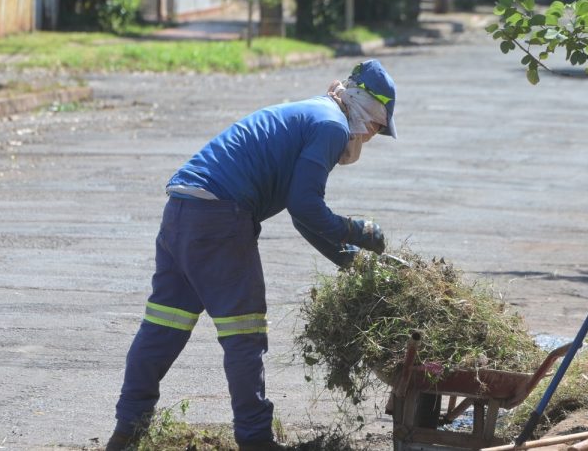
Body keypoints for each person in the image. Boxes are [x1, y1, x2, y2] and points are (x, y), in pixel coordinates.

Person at [106, 59, 398, 451]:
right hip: (220, 217)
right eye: (377, 127)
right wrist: (358, 230)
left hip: (183, 209)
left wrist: (352, 259)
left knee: (163, 325)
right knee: (244, 332)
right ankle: (255, 438)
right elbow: (306, 207)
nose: (371, 137)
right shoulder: (331, 126)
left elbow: (302, 216)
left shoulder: (314, 113)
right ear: (365, 108)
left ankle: (127, 430)